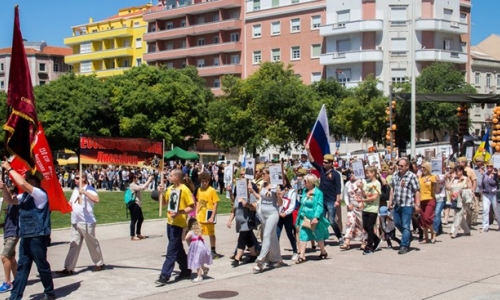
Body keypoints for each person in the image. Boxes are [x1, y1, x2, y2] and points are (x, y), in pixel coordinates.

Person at [0, 161, 55, 300]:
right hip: (25, 236)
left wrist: (10, 169)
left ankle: (49, 293)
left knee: (42, 266)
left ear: (34, 182)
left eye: (28, 178)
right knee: (22, 268)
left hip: (37, 236)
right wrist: (4, 188)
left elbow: (23, 185)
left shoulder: (40, 194)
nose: (24, 180)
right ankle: (15, 296)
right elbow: (10, 201)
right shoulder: (24, 196)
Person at [56, 173, 106, 276]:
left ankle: (99, 263)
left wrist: (84, 192)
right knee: (74, 244)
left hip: (87, 222)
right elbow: (71, 203)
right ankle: (68, 268)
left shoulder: (90, 189)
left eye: (78, 178)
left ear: (83, 178)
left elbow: (97, 200)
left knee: (92, 244)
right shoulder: (75, 190)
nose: (75, 180)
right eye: (75, 178)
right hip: (75, 221)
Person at [156, 169, 195, 286]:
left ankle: (165, 275)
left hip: (178, 224)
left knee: (171, 250)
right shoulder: (170, 188)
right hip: (170, 223)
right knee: (177, 248)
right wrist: (161, 193)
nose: (169, 176)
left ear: (177, 177)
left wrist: (179, 212)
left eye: (171, 175)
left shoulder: (184, 190)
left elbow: (192, 207)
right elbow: (163, 203)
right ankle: (186, 270)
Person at [305, 144, 344, 246]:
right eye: (323, 162)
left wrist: (337, 200)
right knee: (321, 219)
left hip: (331, 200)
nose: (323, 163)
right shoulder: (322, 170)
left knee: (331, 220)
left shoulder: (336, 174)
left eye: (326, 162)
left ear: (331, 163)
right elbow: (312, 161)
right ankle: (322, 238)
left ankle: (340, 237)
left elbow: (338, 188)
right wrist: (308, 150)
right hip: (321, 199)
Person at [248, 168, 285, 273]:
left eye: (264, 173)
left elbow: (280, 203)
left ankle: (261, 260)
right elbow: (261, 198)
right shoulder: (264, 185)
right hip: (263, 214)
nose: (262, 175)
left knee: (266, 235)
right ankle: (277, 259)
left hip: (272, 214)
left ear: (270, 175)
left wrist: (278, 195)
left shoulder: (275, 187)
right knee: (272, 237)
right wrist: (253, 191)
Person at [226, 170, 259, 267]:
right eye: (241, 175)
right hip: (239, 221)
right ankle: (253, 255)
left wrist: (246, 204)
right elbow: (235, 206)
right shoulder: (239, 192)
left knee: (242, 239)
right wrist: (230, 220)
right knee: (248, 239)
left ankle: (237, 258)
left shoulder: (250, 192)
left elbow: (255, 206)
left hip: (247, 221)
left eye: (244, 174)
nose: (242, 176)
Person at [388, 157, 421, 255]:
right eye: (398, 165)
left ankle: (404, 245)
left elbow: (417, 191)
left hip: (407, 204)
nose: (399, 167)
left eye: (402, 166)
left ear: (407, 166)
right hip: (397, 204)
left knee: (406, 225)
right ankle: (408, 236)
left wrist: (417, 204)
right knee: (397, 223)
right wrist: (390, 201)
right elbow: (392, 188)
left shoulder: (412, 176)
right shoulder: (395, 175)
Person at [295, 174, 330, 263]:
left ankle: (323, 251)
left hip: (314, 218)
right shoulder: (304, 191)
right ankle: (302, 256)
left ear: (311, 182)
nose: (304, 183)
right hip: (304, 217)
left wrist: (316, 217)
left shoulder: (318, 192)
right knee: (303, 236)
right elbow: (302, 203)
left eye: (305, 181)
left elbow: (319, 206)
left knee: (318, 236)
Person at [196, 172, 220, 259]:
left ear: (209, 181)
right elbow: (199, 201)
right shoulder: (199, 190)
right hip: (200, 216)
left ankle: (213, 251)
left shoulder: (212, 190)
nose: (204, 183)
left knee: (211, 234)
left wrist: (212, 216)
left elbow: (215, 203)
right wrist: (196, 212)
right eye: (202, 181)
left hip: (209, 216)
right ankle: (200, 251)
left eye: (205, 181)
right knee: (198, 234)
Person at [0, 186, 20, 293]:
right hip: (8, 233)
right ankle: (18, 279)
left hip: (13, 234)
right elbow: (9, 221)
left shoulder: (15, 202)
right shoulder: (10, 205)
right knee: (11, 258)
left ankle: (8, 283)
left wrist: (4, 187)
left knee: (4, 257)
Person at [340, 173, 367, 251]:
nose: (352, 175)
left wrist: (361, 188)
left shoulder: (362, 181)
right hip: (351, 206)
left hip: (361, 205)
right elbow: (345, 195)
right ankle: (347, 241)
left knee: (362, 224)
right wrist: (348, 204)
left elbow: (365, 194)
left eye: (354, 174)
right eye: (351, 174)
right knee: (350, 222)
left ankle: (364, 241)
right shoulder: (348, 184)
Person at [359, 166, 382, 255]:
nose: (367, 175)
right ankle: (376, 240)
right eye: (366, 173)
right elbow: (364, 194)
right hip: (366, 208)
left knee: (370, 227)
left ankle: (369, 246)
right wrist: (361, 188)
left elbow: (375, 197)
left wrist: (363, 200)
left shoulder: (377, 183)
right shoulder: (366, 182)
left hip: (373, 208)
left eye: (369, 173)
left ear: (373, 173)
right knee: (365, 226)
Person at [276, 177, 298, 261]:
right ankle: (277, 254)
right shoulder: (277, 190)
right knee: (277, 234)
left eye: (283, 180)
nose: (282, 182)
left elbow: (292, 204)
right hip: (278, 215)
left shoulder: (291, 191)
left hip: (287, 215)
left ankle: (295, 252)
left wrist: (286, 213)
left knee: (290, 234)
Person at [447, 165, 472, 238]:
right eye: (455, 171)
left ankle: (453, 231)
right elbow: (448, 187)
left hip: (462, 199)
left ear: (461, 171)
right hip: (454, 199)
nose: (456, 173)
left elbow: (470, 189)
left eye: (457, 171)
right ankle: (467, 230)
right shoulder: (454, 179)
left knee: (458, 215)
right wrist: (452, 179)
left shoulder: (466, 179)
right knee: (459, 215)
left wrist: (463, 191)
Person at [129, 173, 155, 241]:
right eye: (136, 178)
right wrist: (149, 180)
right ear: (133, 179)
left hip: (138, 205)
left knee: (141, 219)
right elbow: (142, 187)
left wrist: (149, 180)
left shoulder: (136, 184)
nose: (137, 179)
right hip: (134, 205)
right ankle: (132, 236)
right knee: (133, 220)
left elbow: (143, 186)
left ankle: (138, 234)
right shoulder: (132, 185)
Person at [185, 218, 212, 283]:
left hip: (196, 248)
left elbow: (186, 238)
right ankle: (205, 269)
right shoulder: (199, 232)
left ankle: (199, 276)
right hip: (202, 247)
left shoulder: (191, 232)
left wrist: (189, 243)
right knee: (199, 260)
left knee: (197, 262)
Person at [418, 162, 437, 244]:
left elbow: (436, 188)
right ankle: (426, 238)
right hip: (421, 200)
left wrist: (436, 183)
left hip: (430, 199)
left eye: (424, 167)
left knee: (427, 218)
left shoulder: (432, 177)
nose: (422, 169)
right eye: (421, 168)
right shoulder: (420, 178)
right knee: (422, 220)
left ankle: (433, 232)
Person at [480, 161, 500, 232]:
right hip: (486, 194)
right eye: (488, 166)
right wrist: (481, 191)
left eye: (490, 166)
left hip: (494, 194)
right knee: (485, 210)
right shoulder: (484, 174)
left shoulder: (496, 175)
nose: (489, 168)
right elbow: (482, 183)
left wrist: (497, 173)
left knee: (496, 210)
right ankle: (485, 226)